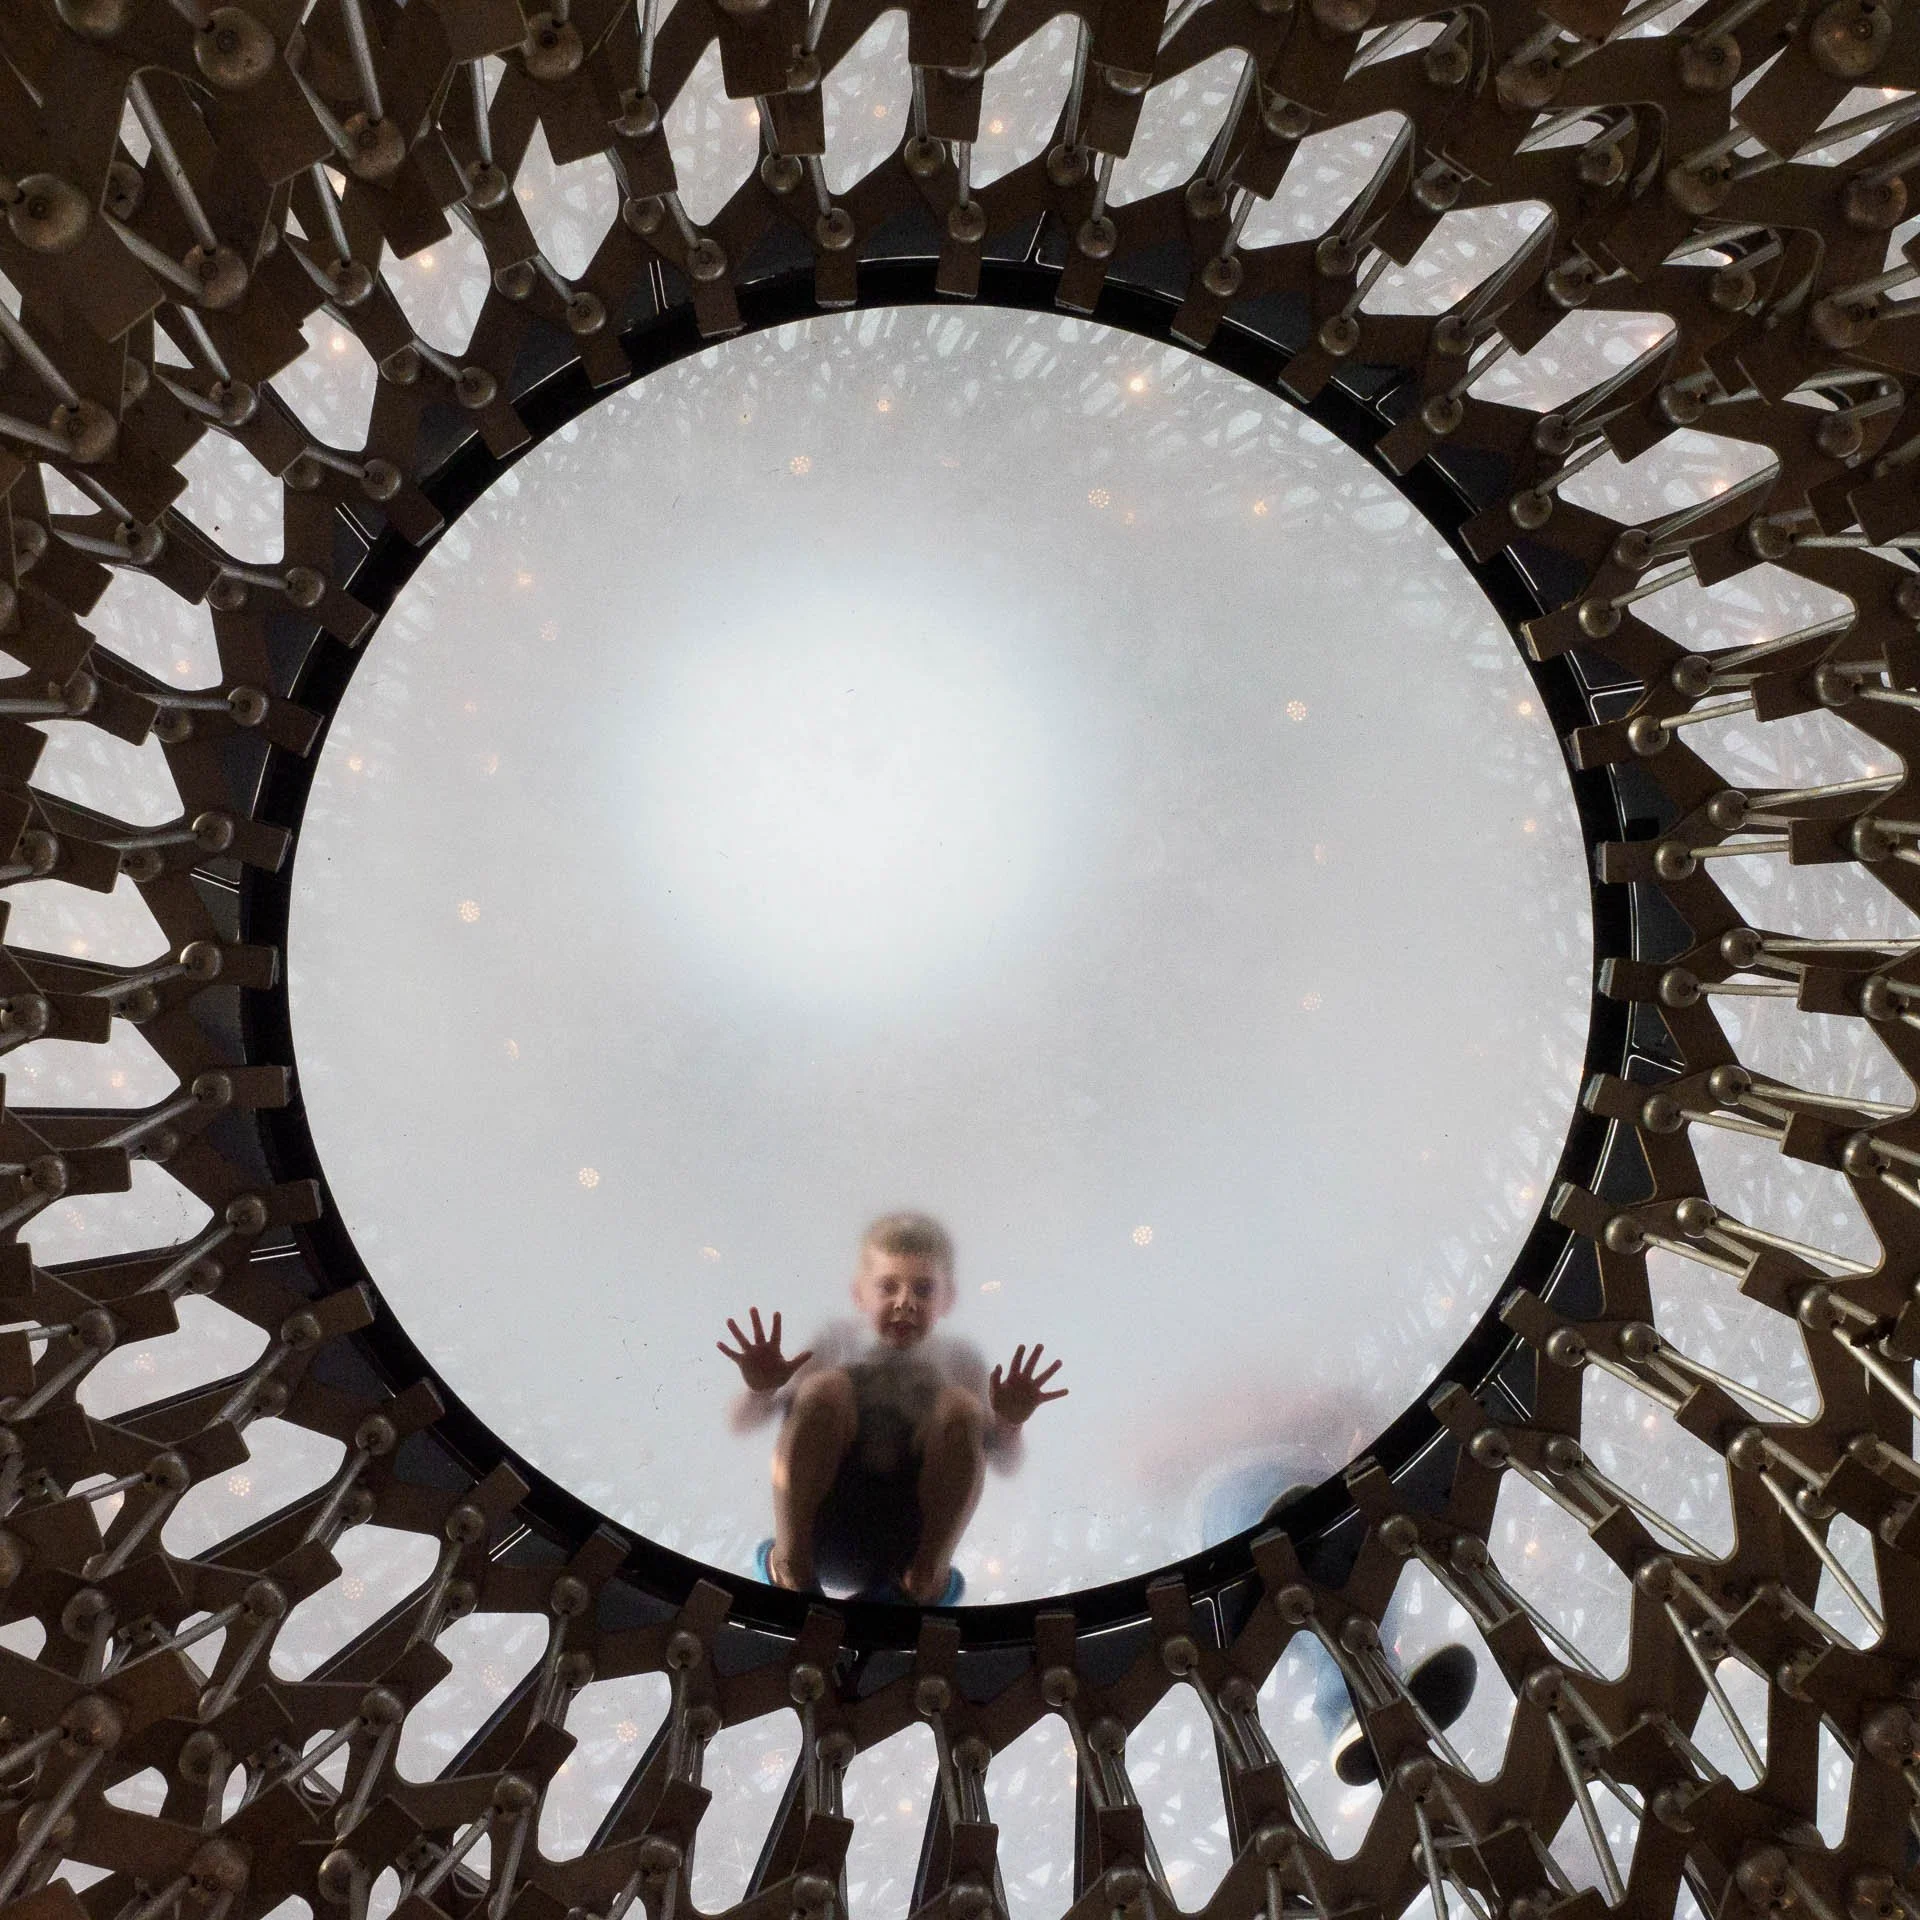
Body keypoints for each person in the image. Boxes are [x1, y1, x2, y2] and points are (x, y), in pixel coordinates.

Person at [718, 1212, 1066, 1604]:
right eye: (888, 1287)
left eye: (922, 1289)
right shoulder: (834, 1342)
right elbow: (744, 1424)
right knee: (823, 1387)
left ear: (947, 1298)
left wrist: (1009, 1422)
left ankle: (923, 1579)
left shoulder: (961, 1361)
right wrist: (760, 1391)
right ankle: (792, 1568)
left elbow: (1005, 1462)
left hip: (909, 1545)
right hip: (826, 1533)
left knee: (960, 1406)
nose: (905, 1303)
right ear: (859, 1295)